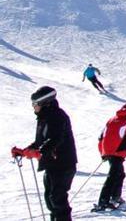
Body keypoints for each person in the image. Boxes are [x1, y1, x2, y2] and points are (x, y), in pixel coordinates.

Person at [11, 86, 77, 221]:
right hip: (51, 164)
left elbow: (56, 139)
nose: (33, 107)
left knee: (57, 198)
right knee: (50, 200)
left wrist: (39, 152)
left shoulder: (58, 116)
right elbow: (40, 142)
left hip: (63, 163)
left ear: (44, 103)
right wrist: (24, 151)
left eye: (35, 104)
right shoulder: (44, 118)